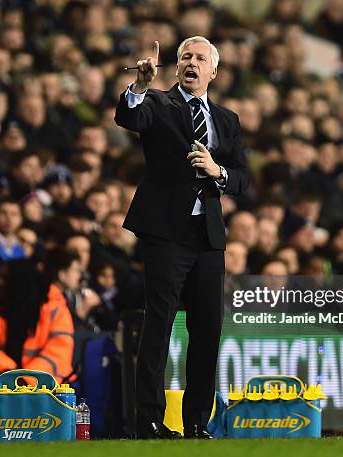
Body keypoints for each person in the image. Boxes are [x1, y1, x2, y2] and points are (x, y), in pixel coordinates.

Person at [114, 37, 248, 439]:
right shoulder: (157, 102)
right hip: (166, 233)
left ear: (214, 71)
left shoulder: (227, 120)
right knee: (160, 324)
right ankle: (150, 420)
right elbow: (129, 118)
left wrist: (216, 170)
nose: (191, 62)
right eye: (185, 56)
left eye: (200, 58)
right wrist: (139, 86)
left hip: (207, 236)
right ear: (177, 67)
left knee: (207, 330)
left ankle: (196, 423)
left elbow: (241, 178)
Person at [0, 258, 75, 386]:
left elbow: (59, 353)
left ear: (19, 283)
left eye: (5, 278)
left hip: (44, 388)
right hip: (0, 382)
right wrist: (8, 370)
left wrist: (26, 379)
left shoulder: (54, 308)